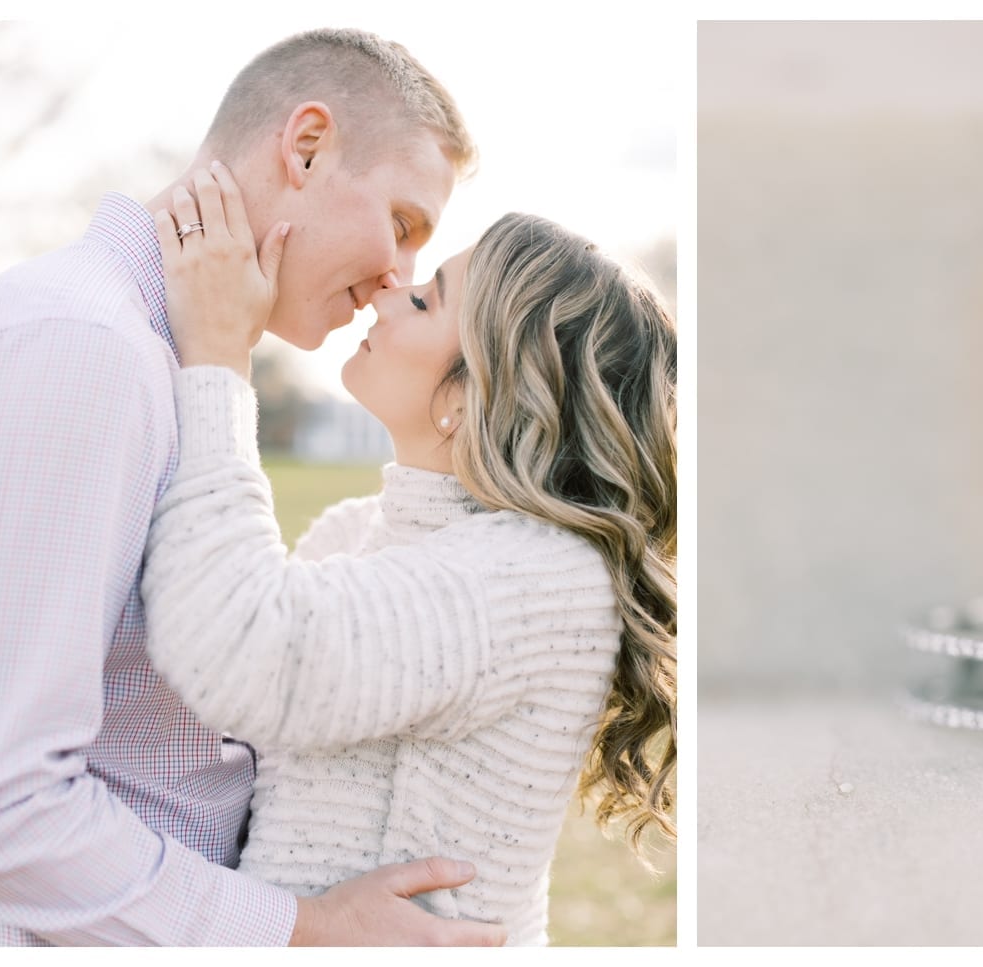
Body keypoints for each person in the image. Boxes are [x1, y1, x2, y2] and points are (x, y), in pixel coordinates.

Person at [0, 28, 504, 945]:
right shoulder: (88, 350)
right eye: (403, 224)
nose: (398, 277)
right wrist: (300, 928)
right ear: (305, 147)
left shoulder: (168, 356)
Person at [136, 165, 677, 945]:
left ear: (474, 393)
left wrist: (218, 355)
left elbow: (237, 646)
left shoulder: (542, 582)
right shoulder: (355, 534)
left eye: (426, 300)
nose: (391, 285)